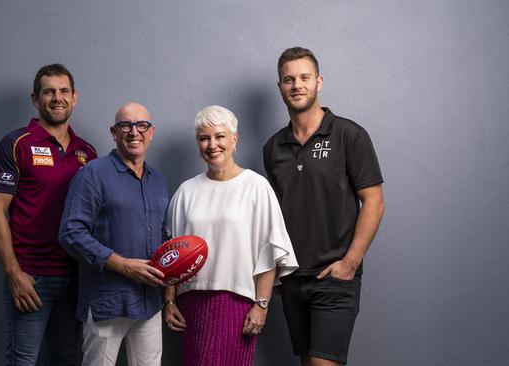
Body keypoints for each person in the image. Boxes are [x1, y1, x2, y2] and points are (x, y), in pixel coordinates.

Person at [263, 47, 385, 365]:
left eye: (304, 77)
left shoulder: (349, 135)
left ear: (319, 82)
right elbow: (276, 215)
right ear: (280, 88)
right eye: (288, 79)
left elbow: (374, 201)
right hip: (292, 279)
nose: (296, 85)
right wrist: (277, 271)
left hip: (334, 276)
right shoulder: (273, 147)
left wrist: (350, 263)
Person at [164, 105, 298, 366]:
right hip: (191, 302)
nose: (212, 144)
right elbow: (172, 251)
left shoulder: (256, 187)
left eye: (219, 136)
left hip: (237, 303)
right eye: (204, 138)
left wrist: (261, 305)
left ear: (234, 139)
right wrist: (169, 300)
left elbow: (269, 251)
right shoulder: (186, 191)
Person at [0, 63, 96, 365]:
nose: (57, 98)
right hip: (31, 279)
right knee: (23, 362)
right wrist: (13, 273)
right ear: (36, 99)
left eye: (63, 91)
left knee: (65, 359)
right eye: (49, 92)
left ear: (74, 98)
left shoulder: (88, 153)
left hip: (74, 279)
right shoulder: (16, 143)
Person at [59, 102, 169, 366]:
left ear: (151, 132)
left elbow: (163, 235)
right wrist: (121, 265)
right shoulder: (93, 174)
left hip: (149, 303)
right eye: (125, 126)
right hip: (106, 301)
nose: (134, 132)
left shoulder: (159, 180)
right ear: (114, 132)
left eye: (141, 125)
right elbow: (70, 232)